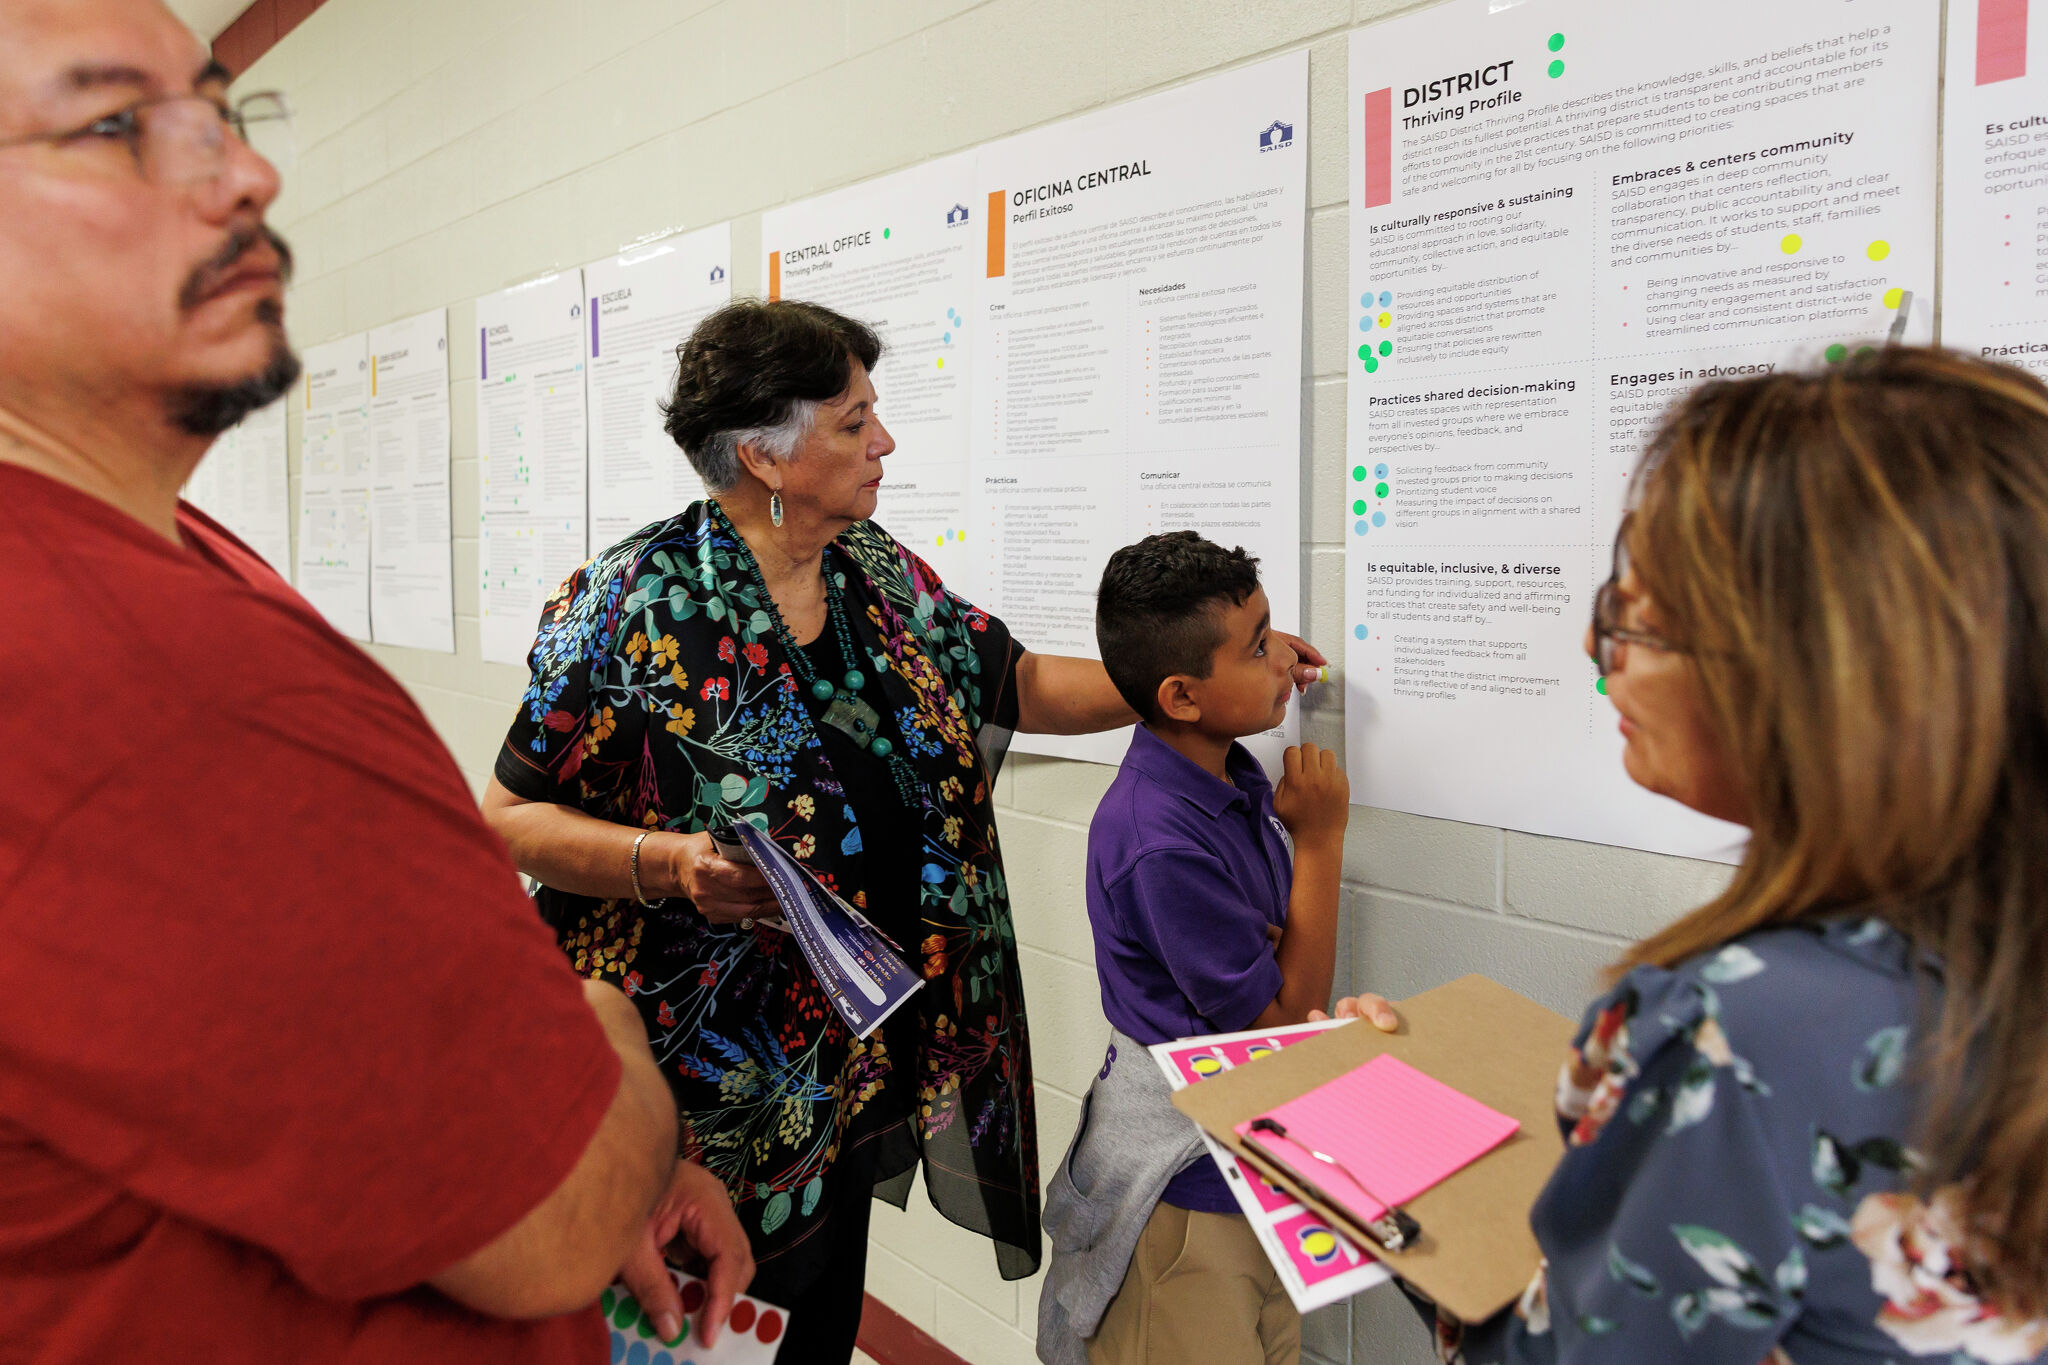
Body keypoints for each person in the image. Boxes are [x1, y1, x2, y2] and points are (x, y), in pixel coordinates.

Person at [0, 1, 749, 1358]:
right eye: (116, 127)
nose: (247, 176)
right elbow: (554, 1219)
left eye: (223, 115)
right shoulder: (147, 680)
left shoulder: (159, 558)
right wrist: (602, 1038)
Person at [480, 300, 1334, 1363]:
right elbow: (506, 817)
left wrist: (1204, 678)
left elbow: (1015, 680)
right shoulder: (631, 602)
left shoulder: (870, 572)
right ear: (765, 457)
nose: (883, 440)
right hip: (690, 1090)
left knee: (813, 1327)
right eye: (853, 422)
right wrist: (669, 863)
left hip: (846, 1071)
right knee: (690, 1337)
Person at [1328, 348, 2048, 1364]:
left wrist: (1377, 1172)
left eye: (1640, 618)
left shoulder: (1735, 1029)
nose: (1599, 652)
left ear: (1811, 676)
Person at [1035, 532, 1395, 1365]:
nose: (1284, 662)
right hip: (1185, 1198)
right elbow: (1285, 1022)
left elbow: (1271, 979)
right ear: (1182, 696)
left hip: (1249, 1174)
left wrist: (1255, 659)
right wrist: (1321, 842)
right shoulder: (1158, 839)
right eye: (1260, 647)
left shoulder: (1223, 771)